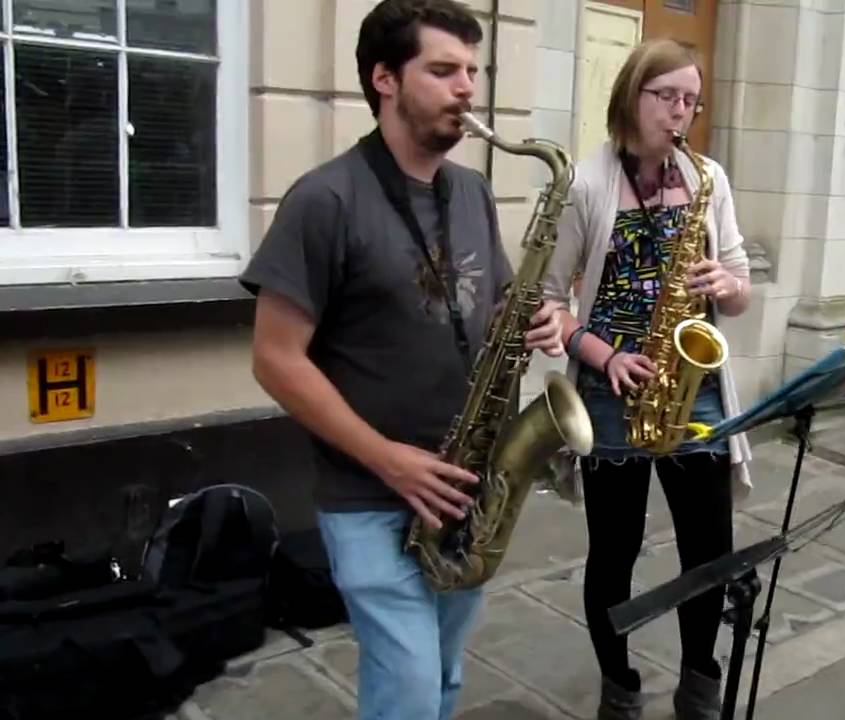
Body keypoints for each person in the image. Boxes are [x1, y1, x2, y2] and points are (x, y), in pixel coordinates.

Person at [239, 1, 564, 718]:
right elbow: (275, 359)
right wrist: (387, 459)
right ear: (384, 79)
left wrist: (536, 317)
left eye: (472, 70)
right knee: (409, 691)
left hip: (467, 485)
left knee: (442, 678)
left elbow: (494, 298)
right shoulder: (325, 199)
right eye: (443, 70)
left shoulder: (472, 191)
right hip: (371, 494)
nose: (467, 88)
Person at [542, 38, 754, 720]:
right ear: (632, 96)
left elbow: (741, 286)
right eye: (668, 97)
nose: (681, 112)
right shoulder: (584, 184)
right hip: (611, 394)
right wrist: (604, 356)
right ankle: (619, 686)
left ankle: (700, 682)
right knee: (614, 553)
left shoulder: (708, 179)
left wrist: (727, 283)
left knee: (710, 552)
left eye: (692, 100)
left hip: (694, 391)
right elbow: (547, 303)